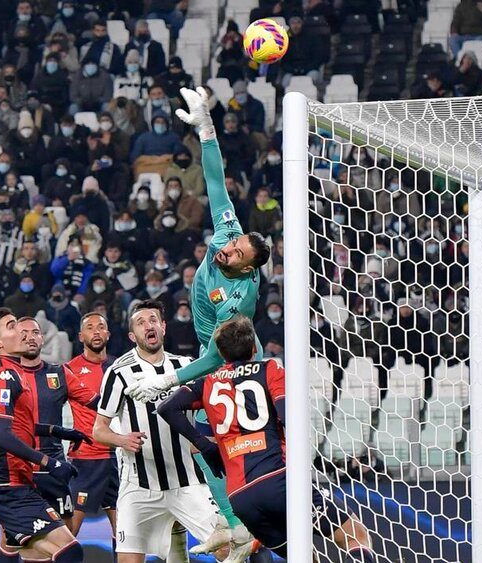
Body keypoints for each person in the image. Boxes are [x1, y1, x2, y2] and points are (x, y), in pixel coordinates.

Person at [158, 316, 378, 561]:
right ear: (254, 348)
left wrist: (205, 446)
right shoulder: (270, 370)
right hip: (279, 481)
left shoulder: (208, 383)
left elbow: (167, 408)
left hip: (241, 498)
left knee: (303, 556)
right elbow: (287, 418)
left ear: (221, 354)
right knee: (355, 536)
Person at [128, 86, 271, 401]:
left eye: (236, 253)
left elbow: (217, 356)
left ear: (247, 267)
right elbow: (216, 181)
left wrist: (169, 380)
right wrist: (207, 130)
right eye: (234, 242)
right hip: (209, 349)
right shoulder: (227, 232)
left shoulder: (239, 299)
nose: (227, 248)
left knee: (214, 434)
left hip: (234, 362)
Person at [91, 300, 226, 563]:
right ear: (133, 336)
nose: (148, 326)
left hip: (188, 481)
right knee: (129, 560)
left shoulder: (185, 366)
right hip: (139, 486)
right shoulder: (118, 373)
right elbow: (99, 429)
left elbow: (207, 415)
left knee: (228, 549)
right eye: (140, 323)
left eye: (153, 320)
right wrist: (121, 440)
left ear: (163, 327)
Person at [0, 307, 86, 563]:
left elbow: (9, 426)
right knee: (70, 551)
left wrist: (54, 430)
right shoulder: (4, 377)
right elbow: (0, 435)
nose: (22, 332)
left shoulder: (12, 373)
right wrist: (49, 462)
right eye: (12, 326)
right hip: (8, 487)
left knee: (32, 554)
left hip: (17, 483)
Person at [16, 317, 98, 530]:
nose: (30, 338)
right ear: (14, 339)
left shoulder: (59, 373)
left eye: (35, 333)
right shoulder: (4, 376)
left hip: (54, 467)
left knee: (66, 535)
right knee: (14, 538)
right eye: (23, 333)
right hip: (18, 468)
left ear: (43, 339)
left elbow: (97, 403)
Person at [63, 313, 118, 539]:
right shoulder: (68, 369)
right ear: (81, 336)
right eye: (90, 327)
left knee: (125, 532)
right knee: (68, 533)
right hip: (85, 460)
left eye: (101, 327)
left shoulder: (120, 367)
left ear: (108, 333)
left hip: (118, 457)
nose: (96, 331)